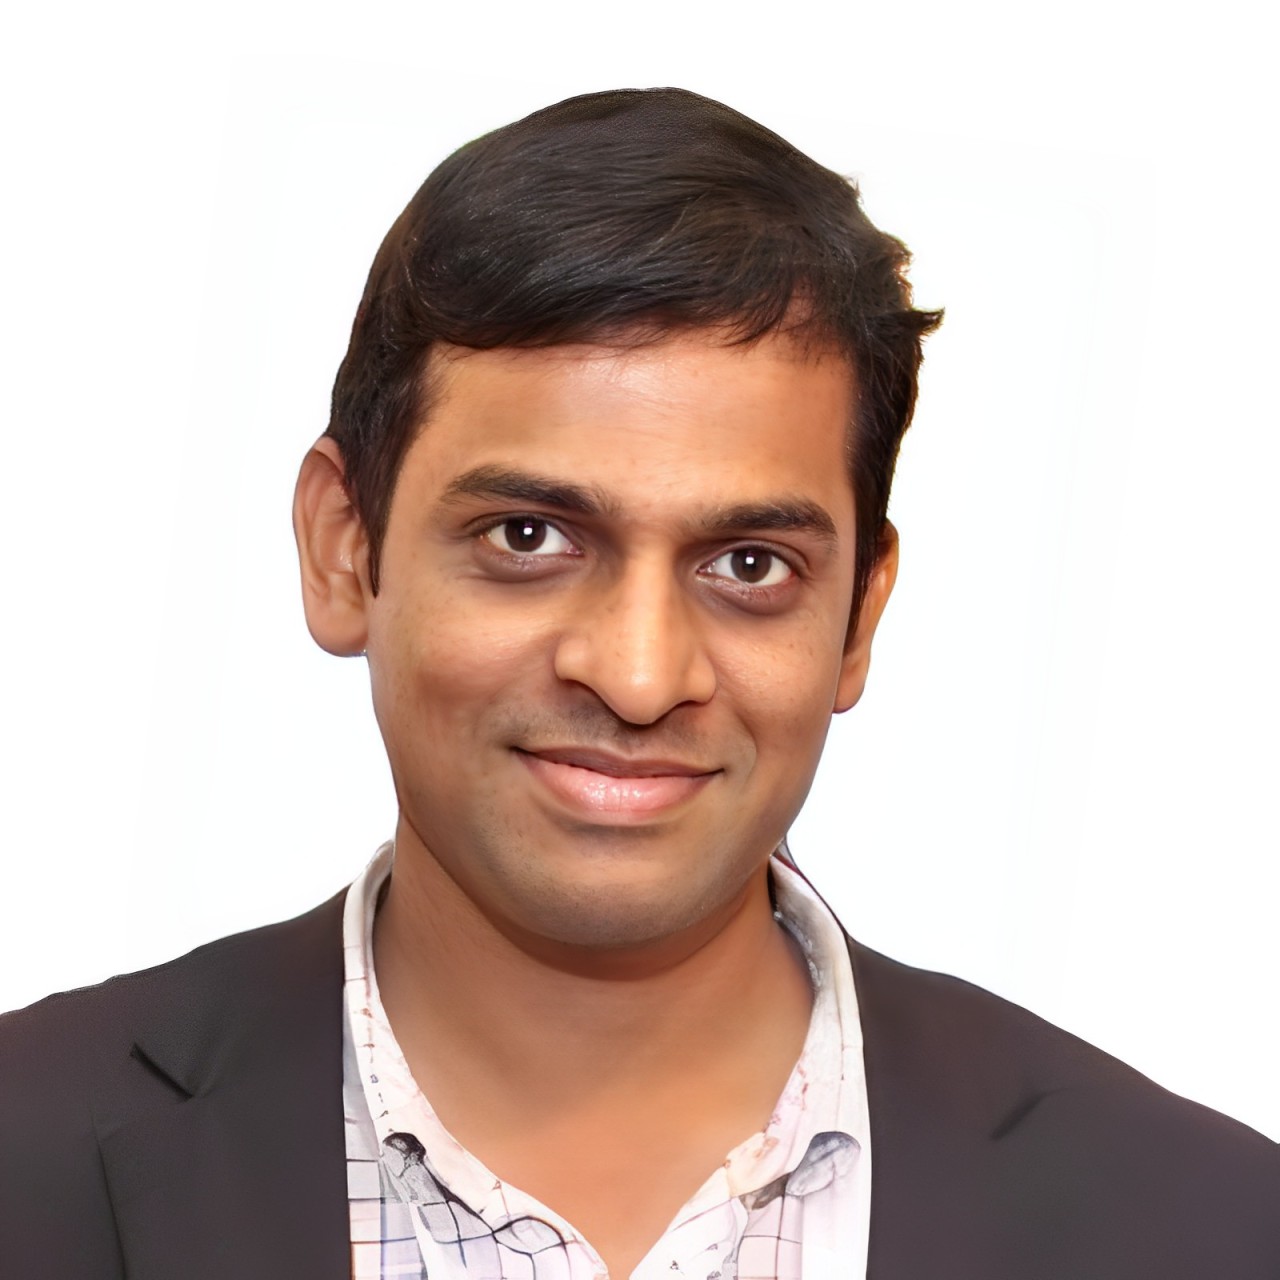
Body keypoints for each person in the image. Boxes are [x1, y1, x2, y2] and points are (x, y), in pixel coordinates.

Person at [0, 87, 1275, 1280]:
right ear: (345, 547)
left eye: (747, 562)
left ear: (856, 617)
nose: (637, 672)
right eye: (527, 537)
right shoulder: (29, 1152)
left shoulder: (1203, 1225)